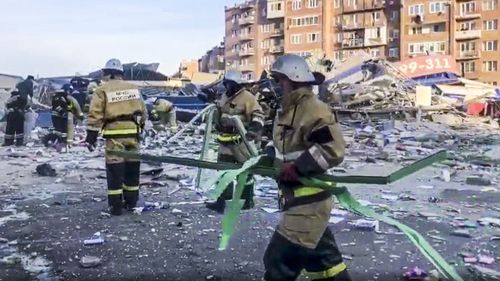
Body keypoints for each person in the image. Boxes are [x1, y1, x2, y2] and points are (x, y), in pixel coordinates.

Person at [263, 54, 351, 281]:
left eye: (279, 80)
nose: (276, 86)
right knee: (323, 262)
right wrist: (269, 156)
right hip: (294, 198)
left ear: (293, 79)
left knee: (279, 260)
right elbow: (284, 145)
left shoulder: (314, 109)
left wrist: (298, 168)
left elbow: (333, 149)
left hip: (311, 201)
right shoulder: (286, 109)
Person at [85, 58, 147, 216]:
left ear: (108, 73)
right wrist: (141, 128)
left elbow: (95, 114)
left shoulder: (102, 90)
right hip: (133, 133)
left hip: (114, 135)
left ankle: (116, 207)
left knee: (115, 170)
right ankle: (132, 203)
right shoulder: (133, 88)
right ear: (121, 73)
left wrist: (91, 136)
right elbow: (143, 110)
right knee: (132, 169)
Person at [205, 70, 264, 213]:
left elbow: (258, 114)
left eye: (231, 84)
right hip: (225, 141)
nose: (228, 87)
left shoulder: (247, 97)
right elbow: (219, 112)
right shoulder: (225, 96)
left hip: (242, 142)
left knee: (245, 173)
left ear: (237, 84)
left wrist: (255, 129)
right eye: (226, 84)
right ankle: (221, 202)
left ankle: (247, 201)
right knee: (223, 172)